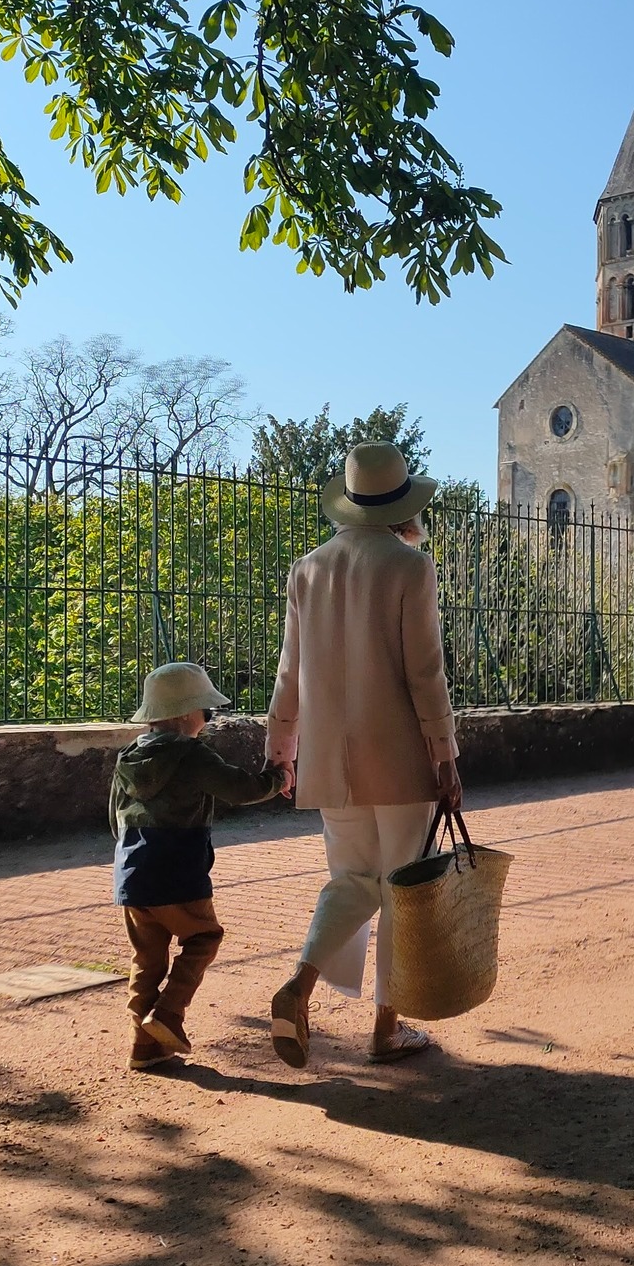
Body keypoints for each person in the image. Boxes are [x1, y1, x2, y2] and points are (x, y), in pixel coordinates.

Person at [265, 441, 462, 1068]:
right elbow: (424, 674)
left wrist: (282, 747)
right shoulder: (409, 567)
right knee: (403, 886)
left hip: (327, 759)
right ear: (403, 505)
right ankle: (385, 1028)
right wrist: (445, 753)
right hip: (399, 757)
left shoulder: (307, 568)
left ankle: (299, 986)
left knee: (351, 880)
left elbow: (288, 673)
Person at [111, 661, 291, 1071]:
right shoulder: (190, 754)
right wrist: (277, 778)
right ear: (187, 714)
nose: (208, 721)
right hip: (178, 868)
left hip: (132, 870)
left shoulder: (129, 755)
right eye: (206, 712)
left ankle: (144, 1046)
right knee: (204, 937)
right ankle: (169, 1014)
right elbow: (238, 788)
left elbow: (114, 817)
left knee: (147, 961)